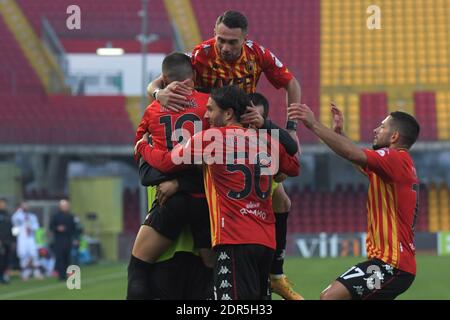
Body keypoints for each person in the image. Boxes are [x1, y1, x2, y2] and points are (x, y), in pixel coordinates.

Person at [147, 10, 303, 299]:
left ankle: (276, 274)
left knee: (281, 198)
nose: (225, 47)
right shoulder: (201, 53)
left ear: (245, 39)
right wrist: (159, 94)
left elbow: (292, 83)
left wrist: (292, 129)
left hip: (241, 134)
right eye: (221, 39)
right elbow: (157, 82)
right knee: (205, 192)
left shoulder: (259, 54)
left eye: (232, 41)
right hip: (209, 130)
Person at [136, 85, 300, 300]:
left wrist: (143, 147)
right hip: (266, 242)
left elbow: (167, 163)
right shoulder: (266, 140)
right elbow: (294, 167)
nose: (206, 115)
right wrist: (267, 127)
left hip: (234, 240)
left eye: (211, 109)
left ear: (229, 113)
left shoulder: (211, 138)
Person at [288, 103, 420, 300]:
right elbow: (359, 160)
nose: (376, 129)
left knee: (330, 297)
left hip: (391, 265)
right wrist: (340, 134)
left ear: (394, 137)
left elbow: (352, 153)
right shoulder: (395, 164)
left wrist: (312, 123)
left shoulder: (395, 159)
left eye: (382, 126)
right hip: (391, 264)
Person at [127, 52, 213, 300]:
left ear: (164, 79)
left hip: (169, 201)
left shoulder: (153, 109)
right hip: (204, 200)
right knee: (211, 271)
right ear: (194, 75)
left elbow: (139, 152)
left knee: (138, 267)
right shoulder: (209, 105)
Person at [11, 201, 42, 280]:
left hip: (31, 238)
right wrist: (19, 211)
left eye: (26, 206)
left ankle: (36, 272)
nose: (25, 207)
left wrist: (30, 226)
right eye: (23, 206)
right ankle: (25, 272)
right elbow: (14, 221)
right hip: (22, 238)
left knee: (34, 254)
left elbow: (36, 227)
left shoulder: (32, 216)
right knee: (23, 254)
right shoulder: (18, 216)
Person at [50, 199, 77, 281]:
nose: (65, 207)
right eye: (64, 206)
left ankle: (69, 274)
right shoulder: (55, 216)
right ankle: (61, 276)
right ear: (60, 207)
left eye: (66, 206)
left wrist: (75, 238)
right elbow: (51, 227)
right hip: (59, 240)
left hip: (68, 239)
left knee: (68, 258)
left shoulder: (71, 216)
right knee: (60, 258)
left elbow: (74, 229)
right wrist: (57, 228)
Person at [0, 198, 14, 284]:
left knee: (6, 260)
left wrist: (14, 239)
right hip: (1, 241)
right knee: (1, 260)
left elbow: (12, 228)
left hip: (8, 241)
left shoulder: (8, 215)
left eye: (3, 203)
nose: (2, 205)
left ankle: (3, 276)